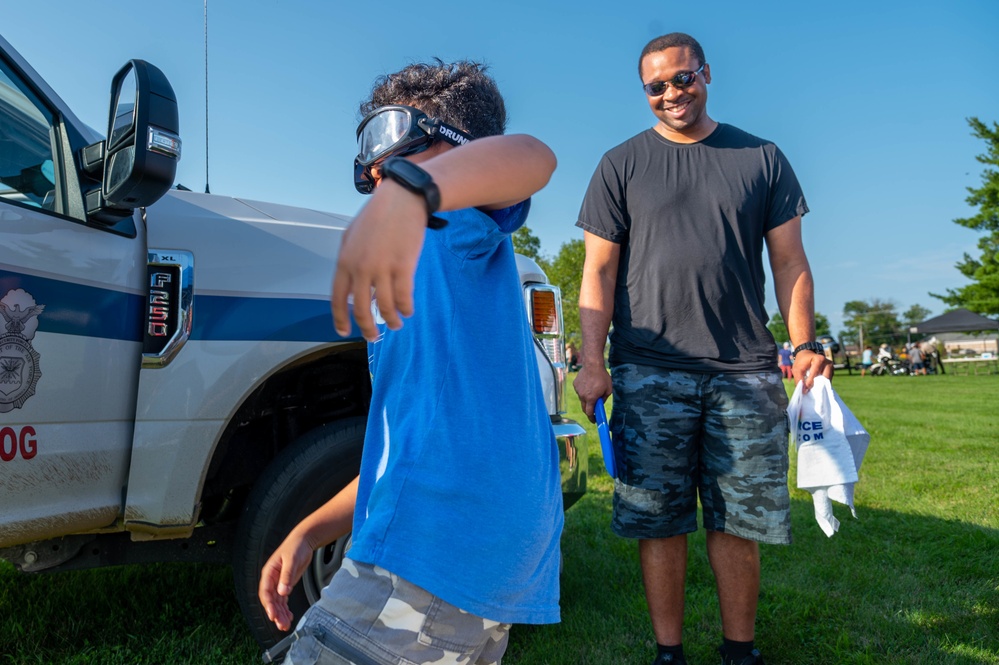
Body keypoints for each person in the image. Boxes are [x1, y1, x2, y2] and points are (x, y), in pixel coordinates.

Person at [258, 60, 561, 665]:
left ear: (457, 150)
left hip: (429, 551)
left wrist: (415, 190)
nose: (374, 168)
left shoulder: (451, 225)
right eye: (367, 154)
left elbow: (534, 157)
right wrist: (311, 529)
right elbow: (404, 453)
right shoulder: (421, 262)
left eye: (391, 142)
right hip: (474, 557)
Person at [572, 33, 833, 665]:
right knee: (657, 521)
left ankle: (739, 651)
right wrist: (590, 361)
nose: (671, 94)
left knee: (737, 521)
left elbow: (791, 262)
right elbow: (598, 273)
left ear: (706, 74)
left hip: (744, 372)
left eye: (682, 79)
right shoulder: (620, 164)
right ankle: (670, 653)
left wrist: (804, 344)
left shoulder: (761, 157)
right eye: (656, 87)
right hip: (647, 370)